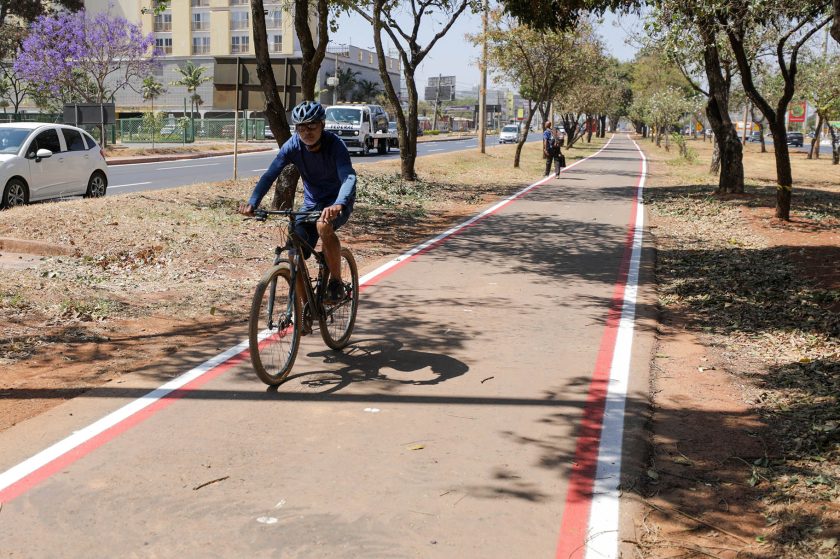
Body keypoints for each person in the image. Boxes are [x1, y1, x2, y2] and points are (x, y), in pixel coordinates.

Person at [238, 100, 356, 304]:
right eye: (301, 127)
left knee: (323, 225)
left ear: (322, 125)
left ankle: (336, 282)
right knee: (294, 252)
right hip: (311, 203)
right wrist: (253, 202)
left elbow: (348, 177)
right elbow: (270, 175)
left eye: (312, 126)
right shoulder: (292, 146)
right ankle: (304, 310)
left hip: (337, 201)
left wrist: (339, 203)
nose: (307, 132)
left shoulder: (335, 145)